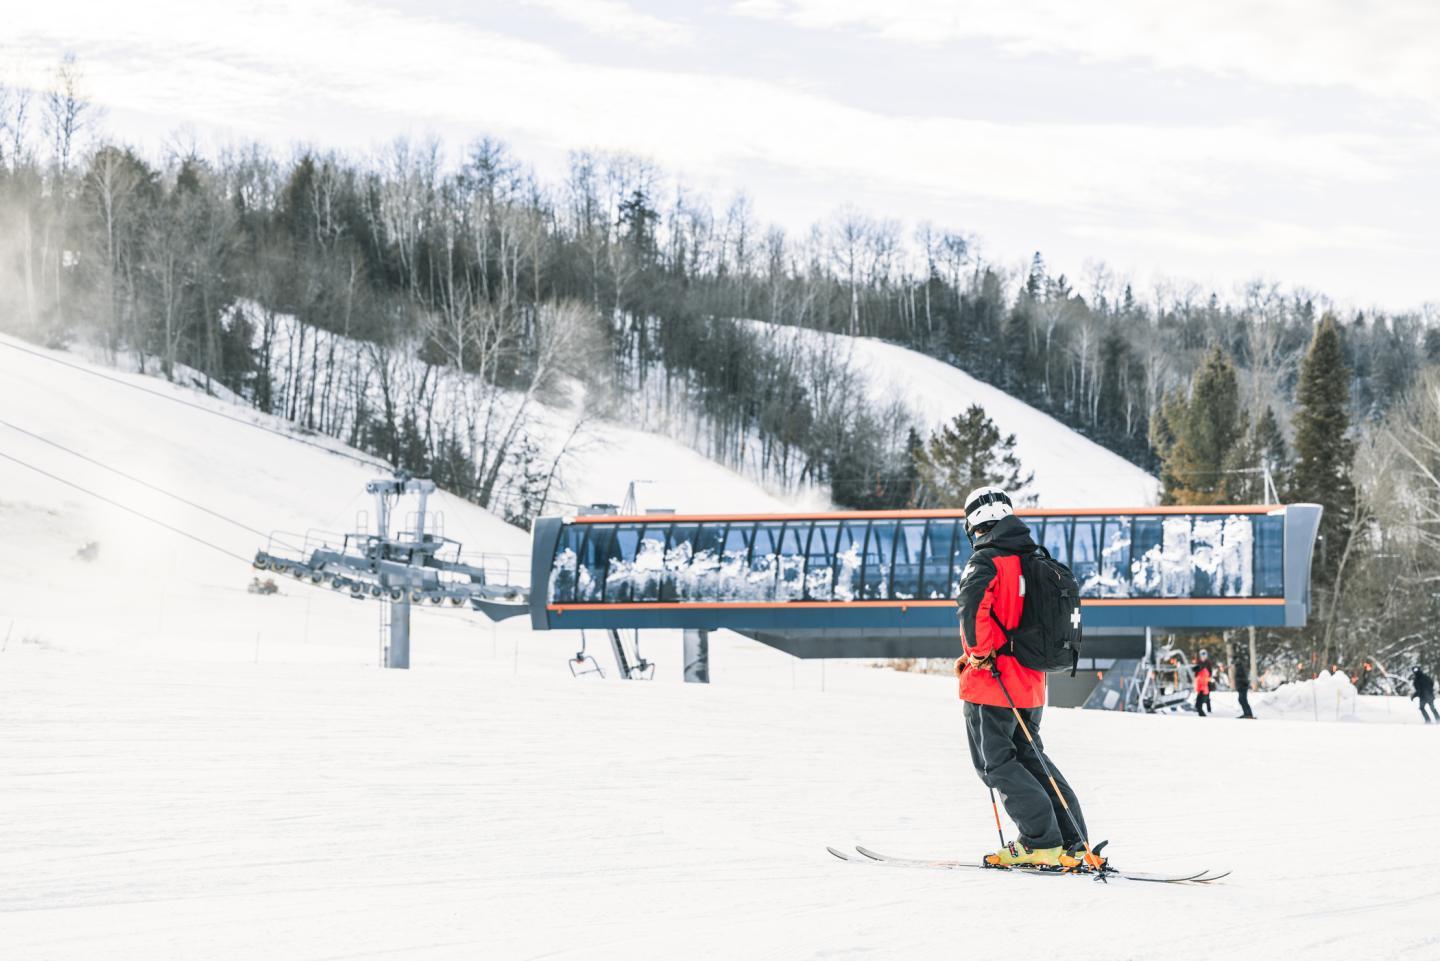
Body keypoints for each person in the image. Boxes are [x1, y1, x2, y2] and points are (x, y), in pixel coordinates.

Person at [953, 485, 1095, 870]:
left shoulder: (986, 560)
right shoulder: (1031, 557)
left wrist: (977, 655)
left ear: (973, 524)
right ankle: (1072, 841)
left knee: (996, 764)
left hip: (993, 681)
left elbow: (973, 610)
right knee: (1031, 758)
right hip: (1030, 681)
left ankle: (1039, 842)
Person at [1234, 653, 1255, 719]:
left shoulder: (1240, 666)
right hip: (1241, 686)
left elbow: (1243, 677)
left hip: (1243, 686)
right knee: (1241, 700)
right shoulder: (1238, 666)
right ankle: (1246, 713)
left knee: (1243, 700)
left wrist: (1245, 684)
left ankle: (1249, 714)